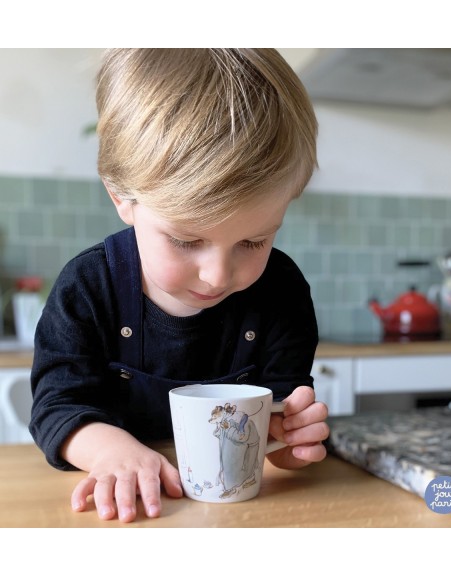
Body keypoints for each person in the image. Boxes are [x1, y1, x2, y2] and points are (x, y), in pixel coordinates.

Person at [29, 48, 330, 523]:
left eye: (254, 240)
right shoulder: (89, 286)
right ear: (121, 197)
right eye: (187, 240)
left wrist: (290, 440)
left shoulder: (282, 291)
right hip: (130, 516)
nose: (217, 274)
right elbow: (58, 407)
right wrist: (113, 453)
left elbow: (282, 411)